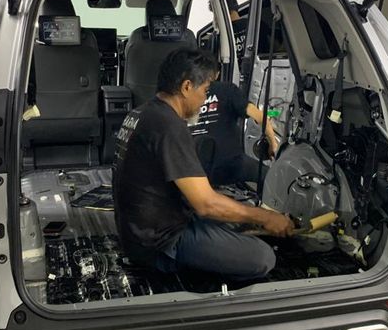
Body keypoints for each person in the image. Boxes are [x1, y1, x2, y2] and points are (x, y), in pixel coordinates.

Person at [113, 48, 294, 281]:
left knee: (235, 222)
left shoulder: (140, 113)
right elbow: (206, 204)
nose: (204, 100)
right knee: (263, 257)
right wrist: (265, 217)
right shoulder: (168, 126)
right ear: (187, 87)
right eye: (205, 91)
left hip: (135, 234)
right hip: (160, 244)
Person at [190, 80, 279, 187]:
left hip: (192, 170)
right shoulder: (227, 89)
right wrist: (273, 144)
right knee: (272, 177)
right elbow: (260, 117)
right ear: (216, 74)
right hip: (230, 165)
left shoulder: (184, 93)